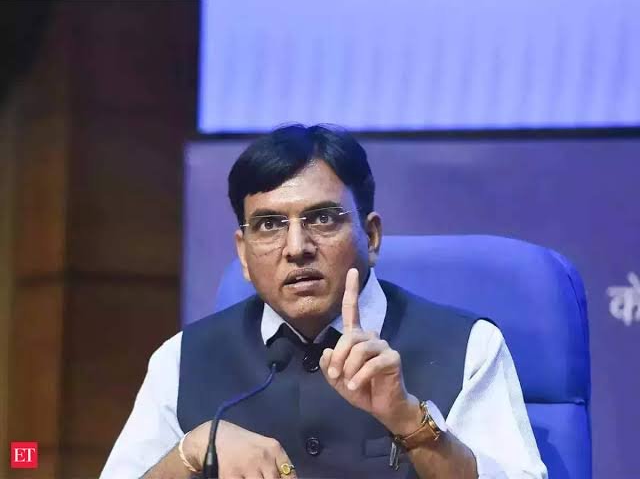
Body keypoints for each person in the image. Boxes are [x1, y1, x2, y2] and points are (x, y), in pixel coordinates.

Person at [101, 125, 547, 478]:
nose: (297, 248)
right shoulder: (182, 359)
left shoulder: (468, 347)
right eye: (269, 225)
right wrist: (192, 450)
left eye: (322, 219)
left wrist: (410, 422)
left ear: (371, 236)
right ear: (243, 253)